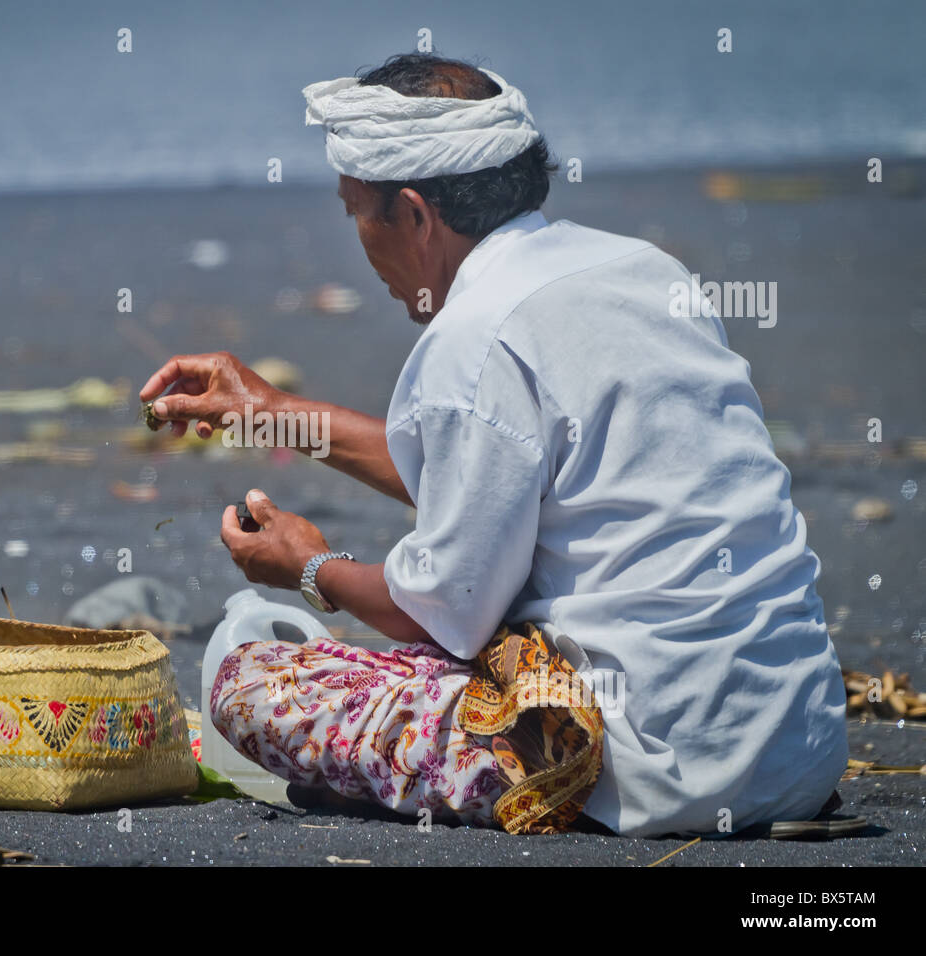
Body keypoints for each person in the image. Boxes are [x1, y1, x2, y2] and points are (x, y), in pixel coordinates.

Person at [138, 53, 848, 838]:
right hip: (798, 746)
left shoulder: (476, 340)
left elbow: (449, 614)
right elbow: (491, 473)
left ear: (413, 213)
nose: (361, 247)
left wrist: (307, 568)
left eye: (357, 215)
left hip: (647, 762)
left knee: (250, 683)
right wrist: (268, 412)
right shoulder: (646, 272)